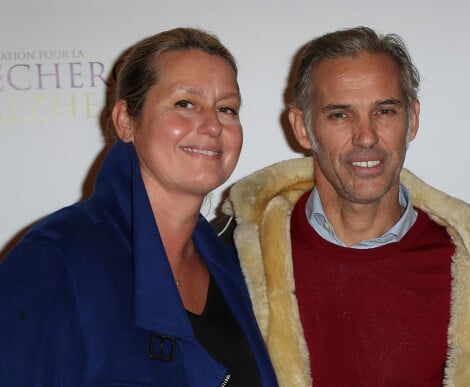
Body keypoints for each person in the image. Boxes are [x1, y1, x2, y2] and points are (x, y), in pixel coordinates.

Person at [212, 26, 470, 386]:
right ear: (302, 127)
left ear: (412, 119)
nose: (367, 136)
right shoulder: (235, 260)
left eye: (385, 111)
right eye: (340, 115)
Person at [0, 27, 278, 387]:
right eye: (185, 104)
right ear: (126, 121)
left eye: (227, 108)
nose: (212, 125)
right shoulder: (56, 259)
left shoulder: (234, 268)